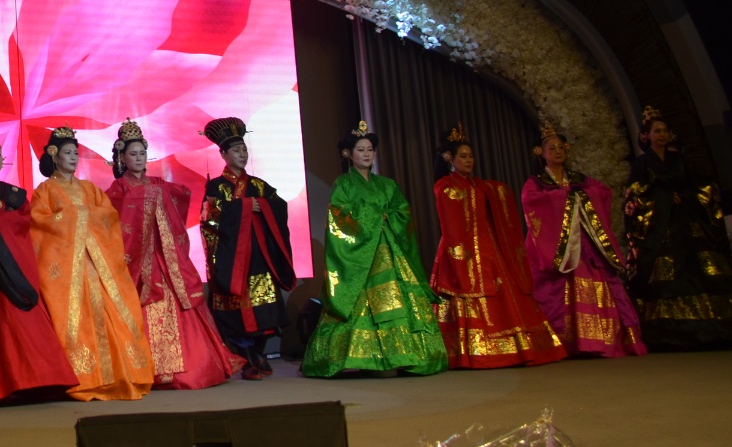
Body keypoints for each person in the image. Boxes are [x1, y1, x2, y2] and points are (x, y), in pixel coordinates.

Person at [301, 120, 447, 377]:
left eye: (370, 149)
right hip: (360, 257)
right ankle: (365, 357)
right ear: (348, 154)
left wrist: (389, 217)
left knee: (398, 299)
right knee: (359, 302)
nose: (367, 154)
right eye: (361, 149)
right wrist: (371, 217)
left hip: (390, 251)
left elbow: (402, 211)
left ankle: (403, 355)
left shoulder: (387, 185)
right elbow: (339, 216)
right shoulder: (343, 185)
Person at [108, 120, 242, 388]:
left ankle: (190, 368)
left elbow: (181, 196)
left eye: (142, 153)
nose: (138, 158)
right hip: (139, 264)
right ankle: (148, 370)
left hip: (166, 259)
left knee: (181, 306)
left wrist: (155, 197)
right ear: (122, 157)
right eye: (132, 154)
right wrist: (144, 200)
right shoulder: (118, 190)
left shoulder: (158, 183)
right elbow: (114, 221)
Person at [30, 126, 155, 400]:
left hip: (98, 267)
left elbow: (109, 218)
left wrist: (78, 215)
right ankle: (83, 379)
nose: (74, 158)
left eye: (76, 153)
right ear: (54, 155)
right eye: (68, 153)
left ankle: (123, 375)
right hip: (68, 271)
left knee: (114, 316)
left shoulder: (89, 188)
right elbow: (39, 225)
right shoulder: (45, 191)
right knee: (76, 321)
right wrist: (77, 218)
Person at [430, 123, 565, 368]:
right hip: (459, 250)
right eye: (463, 156)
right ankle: (470, 351)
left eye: (471, 156)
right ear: (450, 159)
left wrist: (494, 191)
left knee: (506, 298)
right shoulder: (445, 187)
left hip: (489, 248)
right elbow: (453, 218)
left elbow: (491, 193)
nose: (469, 160)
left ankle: (516, 348)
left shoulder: (481, 186)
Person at [0, 133, 76, 400]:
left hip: (16, 274)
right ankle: (11, 385)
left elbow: (24, 233)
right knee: (2, 320)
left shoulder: (15, 196)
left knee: (29, 319)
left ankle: (47, 381)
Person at [520, 123, 646, 358]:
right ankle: (568, 341)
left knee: (600, 281)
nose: (558, 151)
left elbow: (603, 193)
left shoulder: (580, 180)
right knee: (559, 288)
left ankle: (603, 339)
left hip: (587, 244)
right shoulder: (536, 183)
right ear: (541, 152)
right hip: (559, 246)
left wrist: (577, 198)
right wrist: (565, 200)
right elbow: (532, 204)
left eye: (560, 147)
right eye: (552, 148)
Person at [622, 107, 732, 348]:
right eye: (657, 131)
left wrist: (685, 196)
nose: (663, 135)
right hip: (661, 226)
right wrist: (665, 197)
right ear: (647, 136)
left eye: (665, 130)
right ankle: (670, 333)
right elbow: (634, 195)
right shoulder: (642, 164)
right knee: (665, 272)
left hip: (689, 222)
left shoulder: (681, 160)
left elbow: (706, 186)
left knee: (705, 267)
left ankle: (717, 328)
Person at [199, 117, 295, 380]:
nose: (242, 154)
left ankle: (258, 355)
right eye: (236, 150)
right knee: (236, 313)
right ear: (223, 154)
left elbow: (279, 206)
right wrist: (243, 207)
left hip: (260, 256)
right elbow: (209, 217)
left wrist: (262, 206)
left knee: (264, 309)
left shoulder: (260, 185)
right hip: (233, 261)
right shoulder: (216, 186)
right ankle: (248, 357)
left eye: (244, 149)